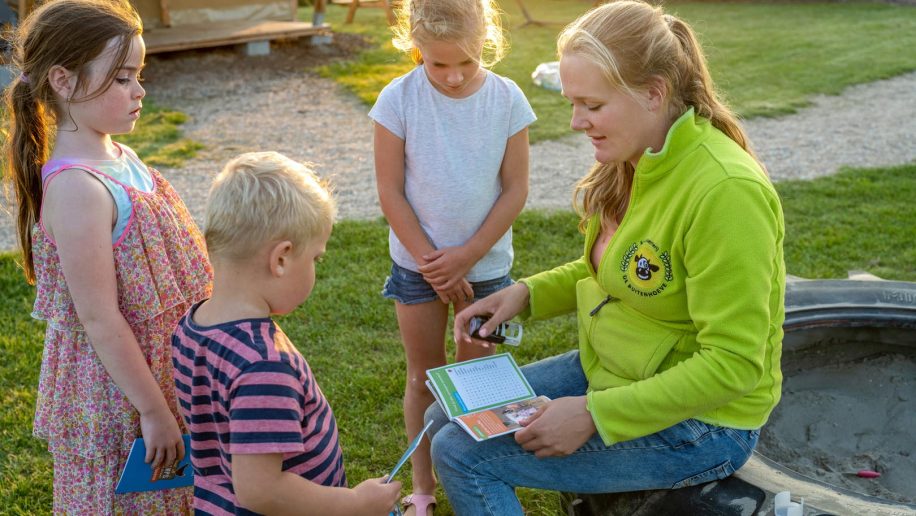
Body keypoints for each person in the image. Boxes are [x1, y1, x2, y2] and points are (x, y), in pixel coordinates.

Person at [431, 1, 787, 514]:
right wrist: (527, 294)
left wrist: (594, 415)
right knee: (451, 414)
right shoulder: (638, 153)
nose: (577, 122)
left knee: (464, 454)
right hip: (616, 370)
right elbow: (624, 268)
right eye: (572, 103)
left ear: (654, 92)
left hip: (706, 425)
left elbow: (733, 365)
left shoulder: (726, 193)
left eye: (592, 106)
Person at [2, 1, 212, 512]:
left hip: (162, 370)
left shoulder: (120, 156)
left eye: (139, 75)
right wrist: (153, 410)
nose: (139, 90)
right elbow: (98, 317)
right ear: (63, 81)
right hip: (119, 393)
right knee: (132, 501)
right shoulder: (78, 188)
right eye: (122, 78)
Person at [369, 0, 536, 513]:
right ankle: (423, 489)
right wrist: (433, 263)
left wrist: (466, 257)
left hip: (486, 272)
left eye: (466, 61)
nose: (454, 76)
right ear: (413, 44)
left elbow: (515, 189)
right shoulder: (397, 99)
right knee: (423, 377)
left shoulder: (507, 99)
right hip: (416, 270)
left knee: (476, 384)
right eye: (438, 63)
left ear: (485, 40)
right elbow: (390, 191)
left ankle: (477, 481)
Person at [171, 152, 402, 515]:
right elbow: (260, 490)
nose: (316, 269)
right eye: (315, 259)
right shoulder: (263, 365)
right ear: (280, 259)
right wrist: (355, 503)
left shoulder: (193, 324)